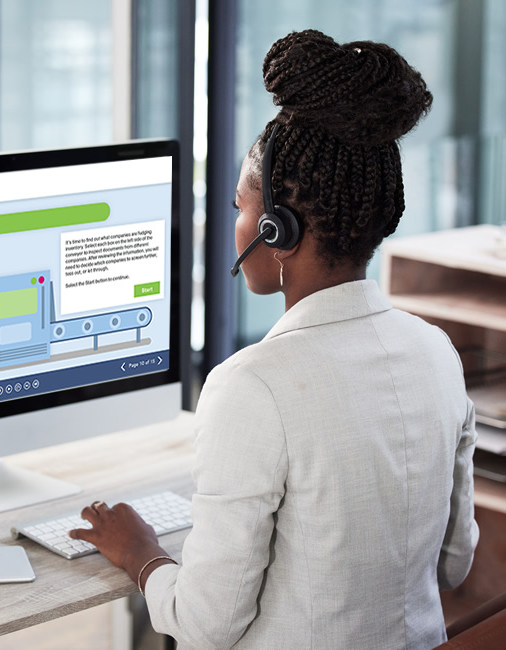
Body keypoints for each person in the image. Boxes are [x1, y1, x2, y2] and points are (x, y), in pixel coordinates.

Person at [69, 29, 479, 649]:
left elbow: (208, 625)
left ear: (275, 227)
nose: (235, 227)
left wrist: (142, 554)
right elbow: (453, 565)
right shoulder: (436, 350)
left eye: (239, 208)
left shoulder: (253, 385)